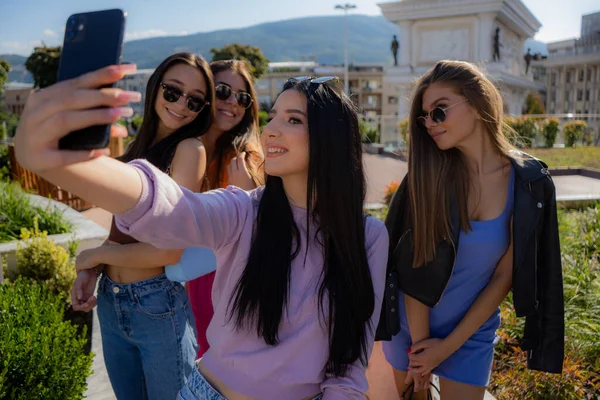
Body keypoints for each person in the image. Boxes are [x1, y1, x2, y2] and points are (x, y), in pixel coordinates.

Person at [14, 70, 389, 399]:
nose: (271, 129)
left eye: (294, 120)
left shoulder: (368, 237)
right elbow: (171, 208)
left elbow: (349, 362)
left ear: (332, 139)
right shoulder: (243, 211)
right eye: (272, 116)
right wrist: (60, 161)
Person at [376, 60, 564, 400]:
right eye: (424, 116)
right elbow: (414, 272)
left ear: (477, 104)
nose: (429, 124)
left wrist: (447, 347)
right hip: (410, 329)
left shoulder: (527, 184)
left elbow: (504, 275)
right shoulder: (427, 177)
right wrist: (422, 355)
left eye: (439, 111)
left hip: (470, 333)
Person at [70, 52, 215, 400]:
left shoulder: (189, 149)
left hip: (156, 302)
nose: (182, 104)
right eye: (173, 91)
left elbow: (167, 250)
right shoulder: (139, 147)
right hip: (111, 300)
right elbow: (120, 231)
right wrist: (93, 270)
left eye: (194, 101)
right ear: (155, 89)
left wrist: (92, 255)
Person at [187, 59, 264, 358]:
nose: (233, 102)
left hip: (231, 282)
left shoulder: (247, 159)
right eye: (223, 91)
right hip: (194, 280)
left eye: (242, 97)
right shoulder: (188, 149)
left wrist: (247, 196)